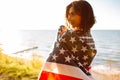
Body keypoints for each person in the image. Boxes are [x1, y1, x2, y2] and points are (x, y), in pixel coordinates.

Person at [38, 0, 97, 80]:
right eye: (68, 14)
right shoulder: (87, 35)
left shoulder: (78, 36)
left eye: (73, 14)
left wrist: (64, 36)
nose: (69, 18)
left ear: (84, 15)